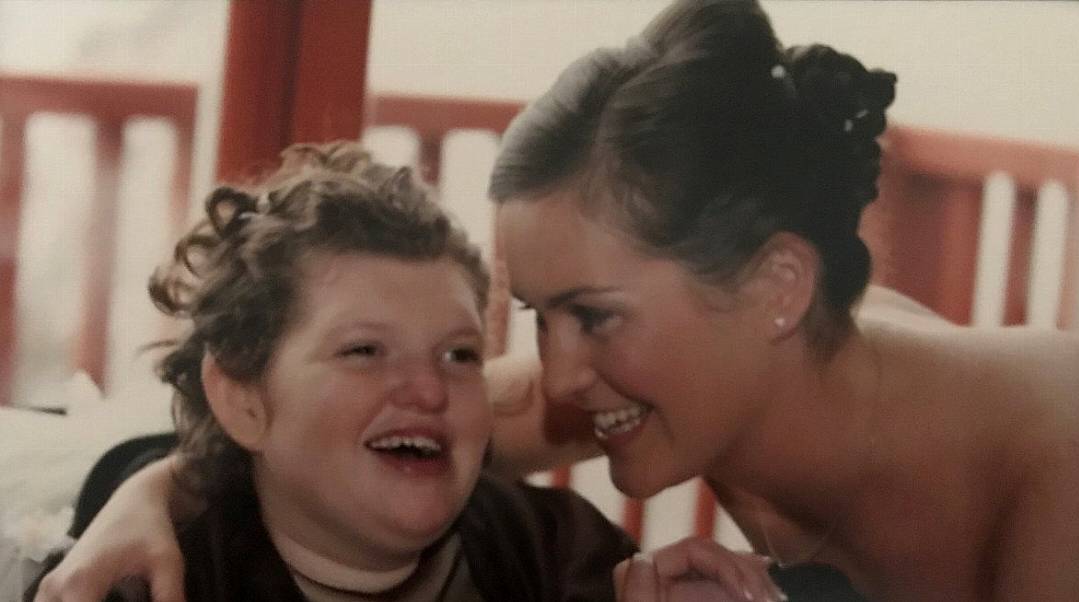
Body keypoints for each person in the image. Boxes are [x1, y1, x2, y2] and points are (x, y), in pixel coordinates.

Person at [35, 0, 1079, 600]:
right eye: (539, 317)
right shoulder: (697, 379)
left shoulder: (1062, 446)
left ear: (775, 285)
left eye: (591, 313)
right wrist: (150, 490)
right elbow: (339, 435)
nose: (553, 371)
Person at [27, 141, 667, 601]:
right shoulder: (151, 578)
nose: (427, 389)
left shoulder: (562, 557)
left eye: (460, 355)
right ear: (243, 401)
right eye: (364, 351)